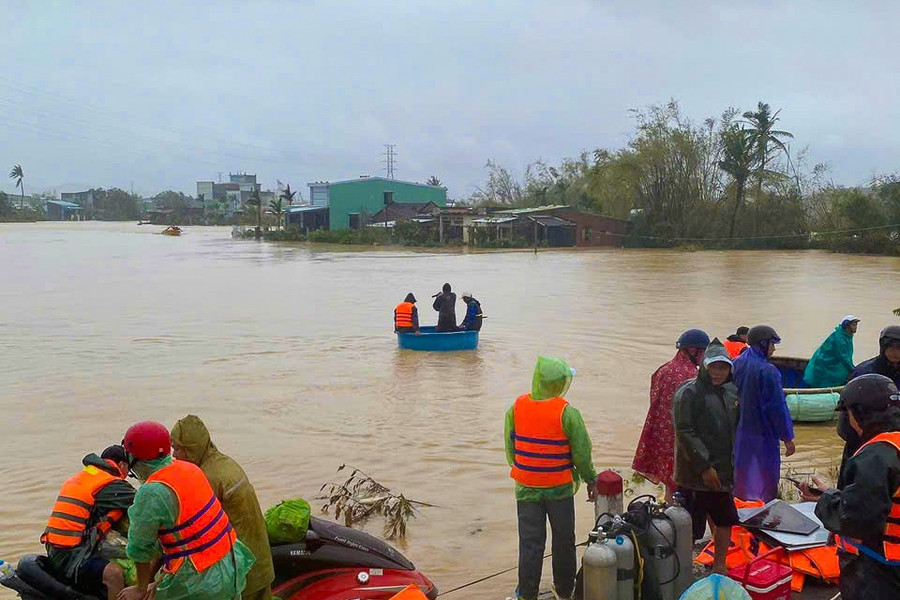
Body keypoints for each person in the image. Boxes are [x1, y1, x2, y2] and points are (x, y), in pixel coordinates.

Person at [119, 421, 254, 600]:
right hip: (231, 563)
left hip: (199, 579)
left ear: (134, 459)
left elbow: (139, 548)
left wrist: (140, 588)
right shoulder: (190, 468)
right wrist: (159, 581)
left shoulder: (151, 492)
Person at [504, 357, 597, 600]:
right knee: (564, 541)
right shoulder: (568, 412)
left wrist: (529, 469)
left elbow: (510, 448)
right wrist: (591, 480)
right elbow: (582, 453)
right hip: (559, 489)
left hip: (526, 489)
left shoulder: (516, 407)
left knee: (530, 544)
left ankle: (527, 594)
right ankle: (565, 591)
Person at [801, 375, 900, 599]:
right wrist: (831, 494)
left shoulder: (877, 455)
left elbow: (856, 521)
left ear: (860, 413)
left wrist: (826, 503)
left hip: (879, 571)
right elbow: (883, 500)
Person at [171, 415, 275, 600]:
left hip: (242, 565)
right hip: (260, 557)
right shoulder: (224, 463)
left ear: (192, 449)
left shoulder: (206, 477)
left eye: (177, 449)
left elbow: (195, 530)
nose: (174, 456)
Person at [673, 338, 739, 575]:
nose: (717, 372)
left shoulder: (731, 392)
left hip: (722, 470)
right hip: (693, 474)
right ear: (703, 366)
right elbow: (684, 431)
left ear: (730, 369)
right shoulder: (688, 392)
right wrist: (704, 467)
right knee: (689, 527)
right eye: (713, 366)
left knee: (725, 519)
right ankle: (683, 571)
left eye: (723, 367)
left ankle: (719, 565)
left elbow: (733, 429)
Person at [41, 445, 135, 600]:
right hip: (71, 557)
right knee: (115, 573)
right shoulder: (110, 483)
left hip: (55, 550)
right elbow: (145, 504)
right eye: (128, 471)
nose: (126, 476)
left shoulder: (83, 477)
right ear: (122, 465)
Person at [633, 329, 709, 504]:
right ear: (694, 351)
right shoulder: (693, 377)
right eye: (703, 351)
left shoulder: (663, 370)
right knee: (685, 490)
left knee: (670, 485)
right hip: (682, 442)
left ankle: (670, 519)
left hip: (661, 437)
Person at [732, 325, 796, 502]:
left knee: (741, 475)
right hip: (763, 435)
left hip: (739, 433)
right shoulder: (768, 371)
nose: (774, 349)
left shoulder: (736, 363)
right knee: (766, 477)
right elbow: (777, 407)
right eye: (772, 345)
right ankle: (764, 514)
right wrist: (787, 437)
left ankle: (739, 511)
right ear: (763, 344)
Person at [837, 326, 900, 484]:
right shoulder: (864, 372)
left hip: (893, 439)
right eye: (891, 348)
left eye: (899, 348)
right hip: (862, 436)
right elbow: (847, 409)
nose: (895, 353)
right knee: (854, 484)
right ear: (882, 348)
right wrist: (854, 436)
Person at [803, 315, 860, 388]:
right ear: (847, 326)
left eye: (856, 325)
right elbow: (844, 358)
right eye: (853, 324)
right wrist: (853, 371)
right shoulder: (840, 339)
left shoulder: (846, 336)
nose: (856, 327)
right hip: (825, 364)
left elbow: (847, 357)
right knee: (825, 380)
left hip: (830, 363)